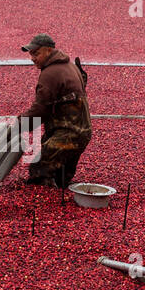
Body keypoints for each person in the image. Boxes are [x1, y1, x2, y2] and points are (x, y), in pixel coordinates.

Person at [17, 34, 91, 188]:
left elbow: (40, 110)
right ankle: (60, 199)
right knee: (62, 175)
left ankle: (40, 203)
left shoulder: (50, 74)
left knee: (39, 167)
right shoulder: (68, 65)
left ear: (49, 51)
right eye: (31, 54)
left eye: (36, 53)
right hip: (81, 132)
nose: (32, 58)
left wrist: (19, 124)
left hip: (67, 133)